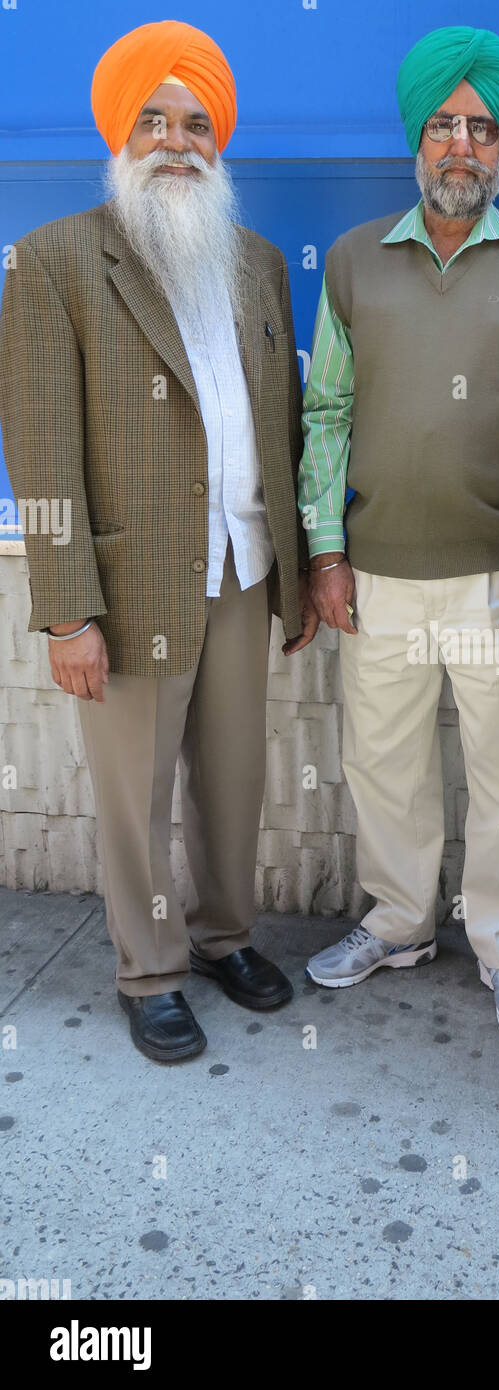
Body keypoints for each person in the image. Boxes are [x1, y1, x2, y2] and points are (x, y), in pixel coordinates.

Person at [0, 20, 317, 1062]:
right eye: (153, 120)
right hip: (128, 587)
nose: (176, 141)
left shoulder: (259, 264)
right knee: (134, 796)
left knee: (234, 779)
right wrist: (66, 608)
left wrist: (301, 573)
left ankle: (226, 938)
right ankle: (149, 970)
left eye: (194, 123)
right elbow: (40, 451)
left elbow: (281, 423)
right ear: (120, 134)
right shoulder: (56, 263)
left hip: (243, 570)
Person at [299, 26, 499, 1035]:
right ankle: (399, 920)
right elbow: (325, 413)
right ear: (414, 143)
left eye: (479, 127)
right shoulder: (350, 262)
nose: (460, 144)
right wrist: (323, 554)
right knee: (383, 761)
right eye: (441, 124)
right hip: (375, 575)